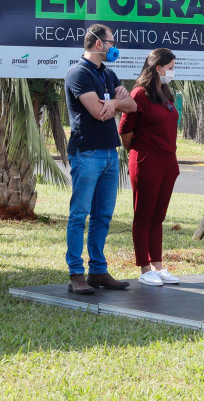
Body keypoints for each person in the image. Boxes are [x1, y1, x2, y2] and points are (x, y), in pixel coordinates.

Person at [63, 23, 137, 294]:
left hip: (109, 152)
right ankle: (76, 274)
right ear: (98, 44)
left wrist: (116, 104)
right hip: (87, 153)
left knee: (103, 215)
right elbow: (96, 112)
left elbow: (133, 105)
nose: (114, 46)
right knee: (79, 214)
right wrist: (113, 104)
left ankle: (98, 271)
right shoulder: (78, 73)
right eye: (111, 42)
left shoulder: (109, 73)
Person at [118, 48, 181, 286]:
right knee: (143, 216)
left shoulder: (165, 93)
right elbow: (124, 129)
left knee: (158, 216)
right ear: (158, 68)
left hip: (168, 161)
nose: (173, 72)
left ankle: (158, 266)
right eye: (171, 67)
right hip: (146, 160)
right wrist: (137, 151)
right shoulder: (139, 94)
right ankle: (145, 269)